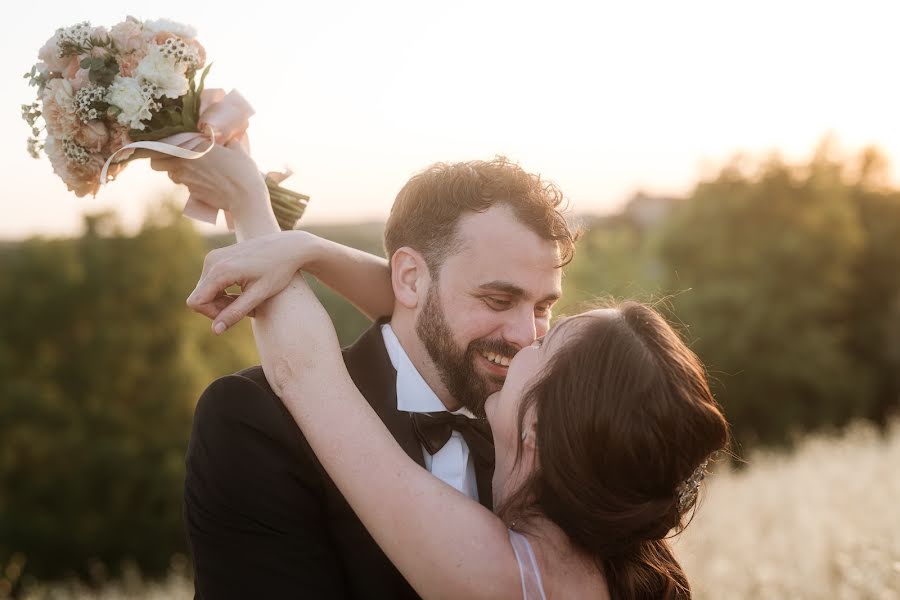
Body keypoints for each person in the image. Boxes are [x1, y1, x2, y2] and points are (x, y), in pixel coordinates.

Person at [186, 221, 731, 598]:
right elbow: (435, 327)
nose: (522, 338)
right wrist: (315, 251)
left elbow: (303, 373)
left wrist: (249, 204)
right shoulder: (623, 565)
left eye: (545, 339)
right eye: (502, 305)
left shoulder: (492, 572)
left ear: (538, 425)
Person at [152, 147, 577, 598]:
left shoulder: (554, 421)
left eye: (544, 307)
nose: (525, 335)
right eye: (498, 300)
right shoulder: (256, 420)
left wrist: (300, 243)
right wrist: (302, 245)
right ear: (410, 279)